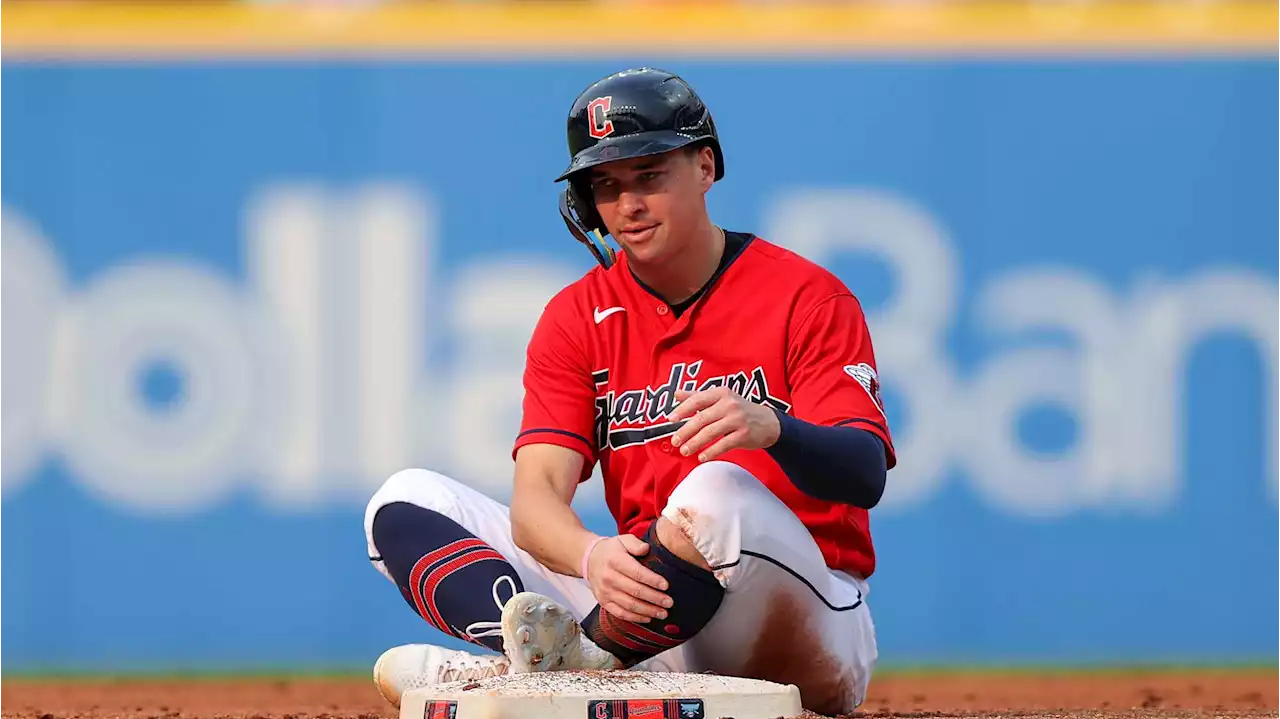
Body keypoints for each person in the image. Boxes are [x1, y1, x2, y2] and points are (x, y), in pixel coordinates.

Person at [363, 67, 895, 717]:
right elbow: (535, 503)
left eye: (649, 176)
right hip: (648, 623)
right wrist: (592, 555)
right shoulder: (576, 316)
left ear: (704, 167)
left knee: (715, 491)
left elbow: (864, 472)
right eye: (606, 187)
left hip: (801, 618)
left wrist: (774, 429)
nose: (629, 205)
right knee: (404, 497)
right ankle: (567, 669)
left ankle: (542, 672)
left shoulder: (806, 296)